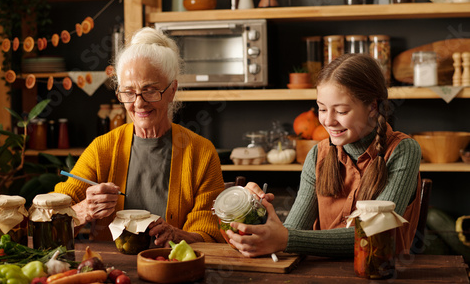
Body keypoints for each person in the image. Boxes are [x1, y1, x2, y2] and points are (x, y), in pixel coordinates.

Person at [226, 54, 422, 257]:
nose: (328, 121)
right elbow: (294, 228)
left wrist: (285, 239)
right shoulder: (317, 155)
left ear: (372, 107)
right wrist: (260, 216)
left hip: (381, 274)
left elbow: (373, 236)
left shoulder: (403, 151)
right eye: (322, 109)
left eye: (341, 111)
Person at [54, 27, 225, 245]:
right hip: (113, 274)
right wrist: (83, 211)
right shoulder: (103, 149)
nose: (138, 103)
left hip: (175, 268)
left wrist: (176, 236)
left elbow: (209, 235)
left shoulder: (201, 153)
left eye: (150, 90)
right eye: (128, 92)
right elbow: (50, 220)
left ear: (172, 90)